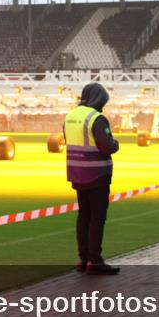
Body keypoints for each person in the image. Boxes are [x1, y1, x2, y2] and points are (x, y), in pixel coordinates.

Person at [65, 83, 121, 274]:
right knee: (97, 218)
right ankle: (94, 261)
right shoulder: (96, 118)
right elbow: (107, 146)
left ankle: (83, 259)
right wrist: (116, 143)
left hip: (77, 174)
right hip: (97, 174)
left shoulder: (70, 116)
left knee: (84, 216)